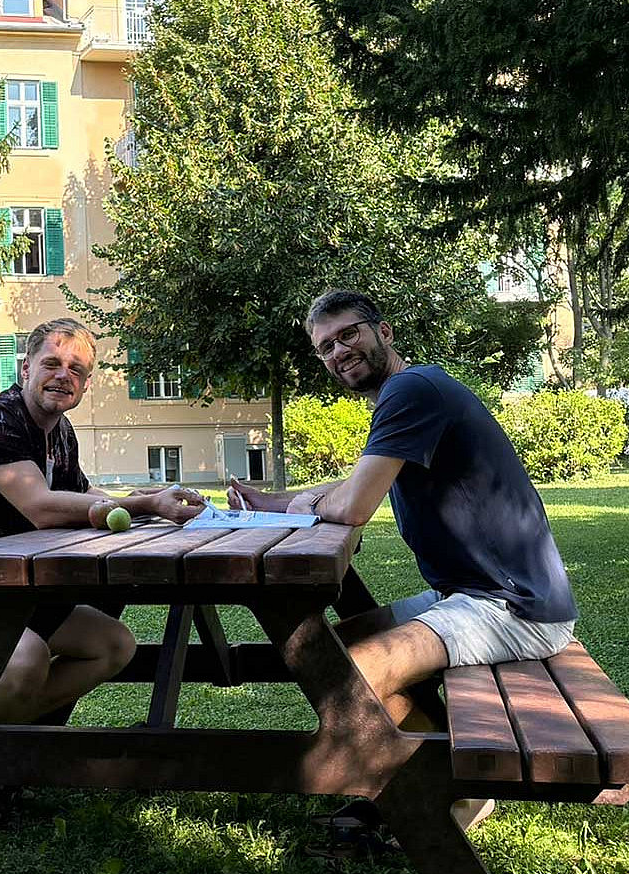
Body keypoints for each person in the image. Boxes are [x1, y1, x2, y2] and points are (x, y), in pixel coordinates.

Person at [228, 289, 579, 831]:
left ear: (384, 332)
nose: (339, 351)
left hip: (511, 607)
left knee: (344, 675)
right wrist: (274, 502)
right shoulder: (411, 393)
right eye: (326, 346)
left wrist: (307, 503)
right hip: (473, 596)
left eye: (349, 334)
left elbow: (355, 505)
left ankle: (441, 796)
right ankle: (443, 780)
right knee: (328, 650)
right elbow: (350, 487)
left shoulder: (411, 390)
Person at [0, 317, 206, 733]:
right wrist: (145, 503)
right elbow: (42, 507)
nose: (62, 376)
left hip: (6, 592)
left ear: (86, 385)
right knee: (25, 657)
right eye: (51, 363)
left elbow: (88, 498)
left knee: (113, 645)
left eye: (76, 370)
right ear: (25, 369)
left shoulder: (61, 433)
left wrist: (156, 505)